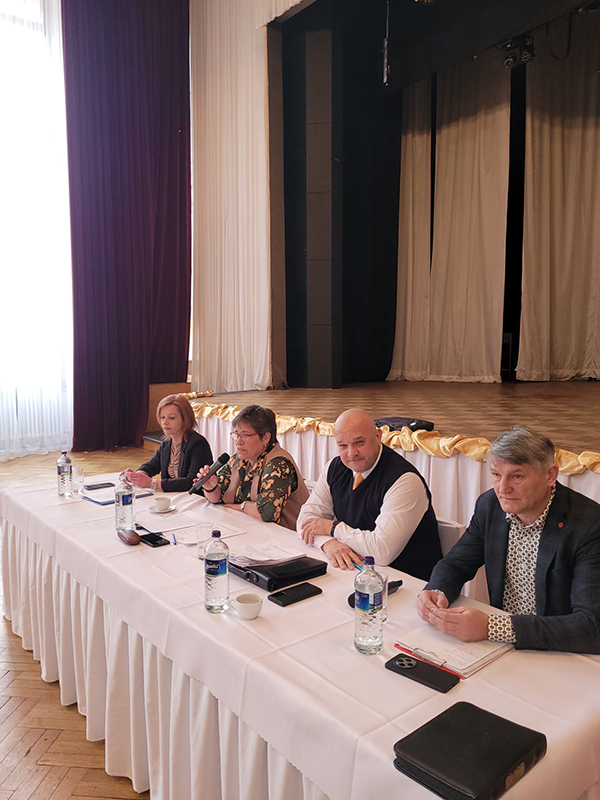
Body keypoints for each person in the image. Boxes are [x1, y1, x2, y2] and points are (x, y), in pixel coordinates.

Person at [417, 425, 600, 653]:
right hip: (502, 647)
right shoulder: (490, 506)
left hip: (561, 651)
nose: (503, 489)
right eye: (496, 475)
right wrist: (437, 590)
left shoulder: (589, 525)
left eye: (517, 476)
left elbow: (592, 626)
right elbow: (456, 563)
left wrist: (492, 627)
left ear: (550, 475)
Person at [297, 408, 442, 580]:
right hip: (357, 573)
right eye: (343, 445)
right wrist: (328, 543)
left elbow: (381, 552)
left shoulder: (405, 480)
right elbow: (305, 521)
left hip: (408, 583)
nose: (351, 453)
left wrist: (333, 528)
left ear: (378, 436)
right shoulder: (334, 468)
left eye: (359, 442)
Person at [197, 404, 309, 530]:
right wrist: (211, 488)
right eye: (236, 435)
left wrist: (241, 506)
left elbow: (266, 513)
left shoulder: (279, 464)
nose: (238, 442)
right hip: (250, 528)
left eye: (245, 435)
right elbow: (218, 498)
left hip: (286, 535)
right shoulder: (239, 459)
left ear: (265, 437)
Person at [124, 394, 213, 493]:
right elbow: (151, 466)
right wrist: (137, 475)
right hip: (174, 497)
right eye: (162, 417)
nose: (165, 422)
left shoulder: (198, 444)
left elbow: (192, 482)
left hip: (195, 498)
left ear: (185, 419)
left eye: (172, 418)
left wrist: (152, 483)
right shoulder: (166, 444)